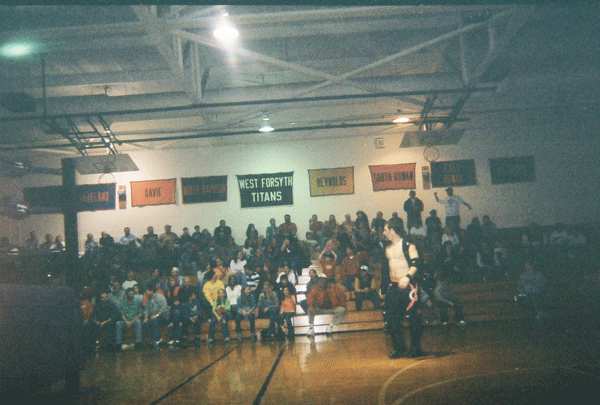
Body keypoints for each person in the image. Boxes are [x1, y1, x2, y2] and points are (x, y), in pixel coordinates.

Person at [381, 216, 424, 359]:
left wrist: (407, 277)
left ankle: (416, 348)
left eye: (385, 230)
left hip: (408, 286)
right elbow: (385, 269)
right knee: (392, 318)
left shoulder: (409, 245)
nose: (383, 233)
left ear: (392, 230)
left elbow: (416, 263)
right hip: (393, 286)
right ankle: (399, 347)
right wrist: (383, 287)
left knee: (413, 317)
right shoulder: (387, 248)